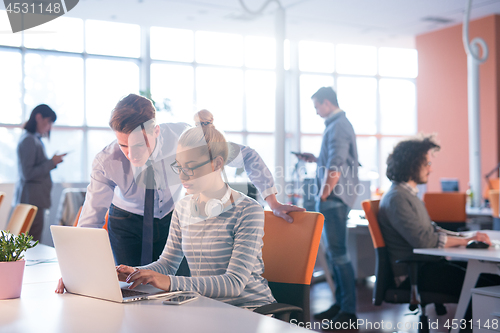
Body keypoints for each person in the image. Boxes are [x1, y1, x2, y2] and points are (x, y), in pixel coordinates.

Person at [58, 110, 276, 309]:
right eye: (178, 167)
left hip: (251, 310)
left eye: (190, 168)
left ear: (217, 164)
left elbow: (234, 284)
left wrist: (273, 199)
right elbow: (168, 264)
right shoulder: (183, 207)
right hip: (208, 308)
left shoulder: (248, 211)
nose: (181, 177)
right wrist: (137, 273)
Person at [77, 94, 304, 268]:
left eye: (139, 144)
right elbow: (90, 222)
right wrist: (76, 272)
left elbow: (247, 156)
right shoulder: (107, 161)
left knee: (177, 289)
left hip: (173, 219)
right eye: (123, 145)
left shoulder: (183, 139)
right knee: (132, 288)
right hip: (126, 224)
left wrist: (272, 201)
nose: (131, 154)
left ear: (155, 131)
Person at [378, 135, 498, 302]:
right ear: (411, 164)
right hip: (414, 274)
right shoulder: (397, 198)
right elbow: (424, 240)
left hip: (427, 266)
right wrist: (465, 242)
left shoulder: (407, 195)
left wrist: (465, 237)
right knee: (485, 284)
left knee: (489, 277)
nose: (430, 169)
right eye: (427, 163)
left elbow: (432, 230)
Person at [296, 87, 359, 325]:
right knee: (334, 254)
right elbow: (334, 158)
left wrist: (323, 196)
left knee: (339, 255)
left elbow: (337, 164)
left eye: (316, 107)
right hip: (335, 197)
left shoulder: (338, 126)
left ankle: (349, 312)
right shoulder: (337, 126)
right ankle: (341, 305)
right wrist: (316, 159)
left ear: (327, 103)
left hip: (333, 198)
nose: (316, 112)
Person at [13, 104, 66, 242]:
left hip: (34, 199)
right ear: (38, 117)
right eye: (48, 122)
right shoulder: (29, 140)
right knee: (31, 243)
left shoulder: (33, 139)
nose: (49, 127)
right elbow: (28, 173)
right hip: (31, 200)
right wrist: (51, 163)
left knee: (31, 241)